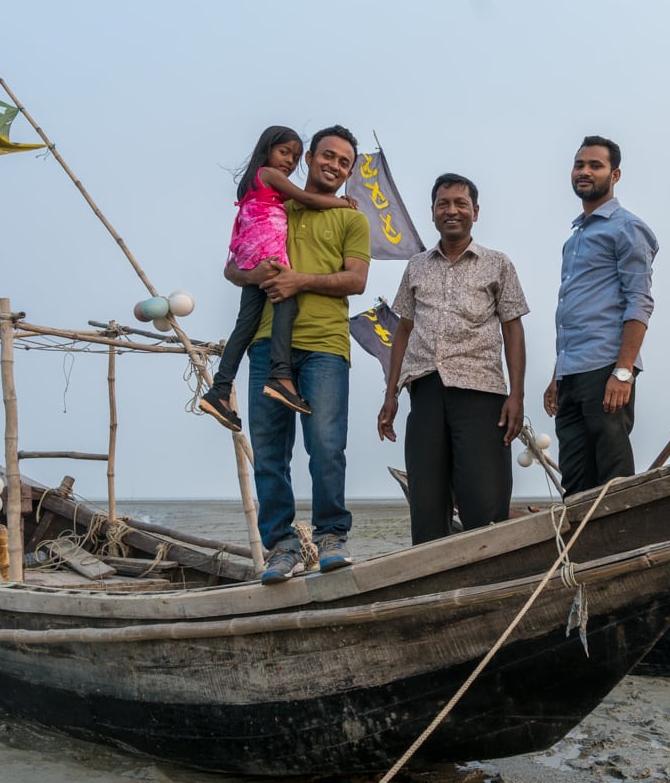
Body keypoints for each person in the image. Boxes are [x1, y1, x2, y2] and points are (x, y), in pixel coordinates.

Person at [225, 125, 370, 581]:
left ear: (349, 171)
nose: (334, 165)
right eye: (328, 156)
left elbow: (356, 280)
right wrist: (257, 275)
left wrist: (298, 281)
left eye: (344, 162)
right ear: (308, 157)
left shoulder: (352, 218)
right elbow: (232, 267)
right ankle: (283, 547)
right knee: (269, 452)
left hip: (326, 346)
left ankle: (331, 538)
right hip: (266, 343)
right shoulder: (273, 201)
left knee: (326, 446)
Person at [377, 174, 528, 544]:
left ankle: (487, 578)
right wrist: (391, 393)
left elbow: (513, 329)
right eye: (443, 204)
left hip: (481, 391)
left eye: (461, 203)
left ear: (475, 211)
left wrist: (517, 395)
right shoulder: (416, 266)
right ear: (432, 213)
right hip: (425, 390)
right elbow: (403, 330)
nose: (452, 210)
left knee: (484, 498)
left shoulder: (498, 264)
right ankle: (431, 589)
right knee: (427, 498)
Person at [199, 125, 358, 431]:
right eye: (284, 152)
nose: (289, 161)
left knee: (244, 325)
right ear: (267, 149)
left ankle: (220, 390)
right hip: (266, 256)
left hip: (253, 255)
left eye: (293, 156)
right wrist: (342, 201)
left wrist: (250, 273)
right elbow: (306, 199)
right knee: (287, 303)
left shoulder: (259, 190)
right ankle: (281, 376)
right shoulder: (272, 179)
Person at [543, 135, 658, 496]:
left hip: (606, 367)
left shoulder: (627, 228)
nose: (585, 171)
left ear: (615, 174)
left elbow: (639, 301)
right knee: (575, 477)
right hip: (571, 372)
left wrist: (623, 372)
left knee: (612, 474)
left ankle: (625, 547)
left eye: (596, 165)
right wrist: (556, 374)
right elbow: (575, 312)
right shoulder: (575, 237)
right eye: (580, 165)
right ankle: (583, 551)